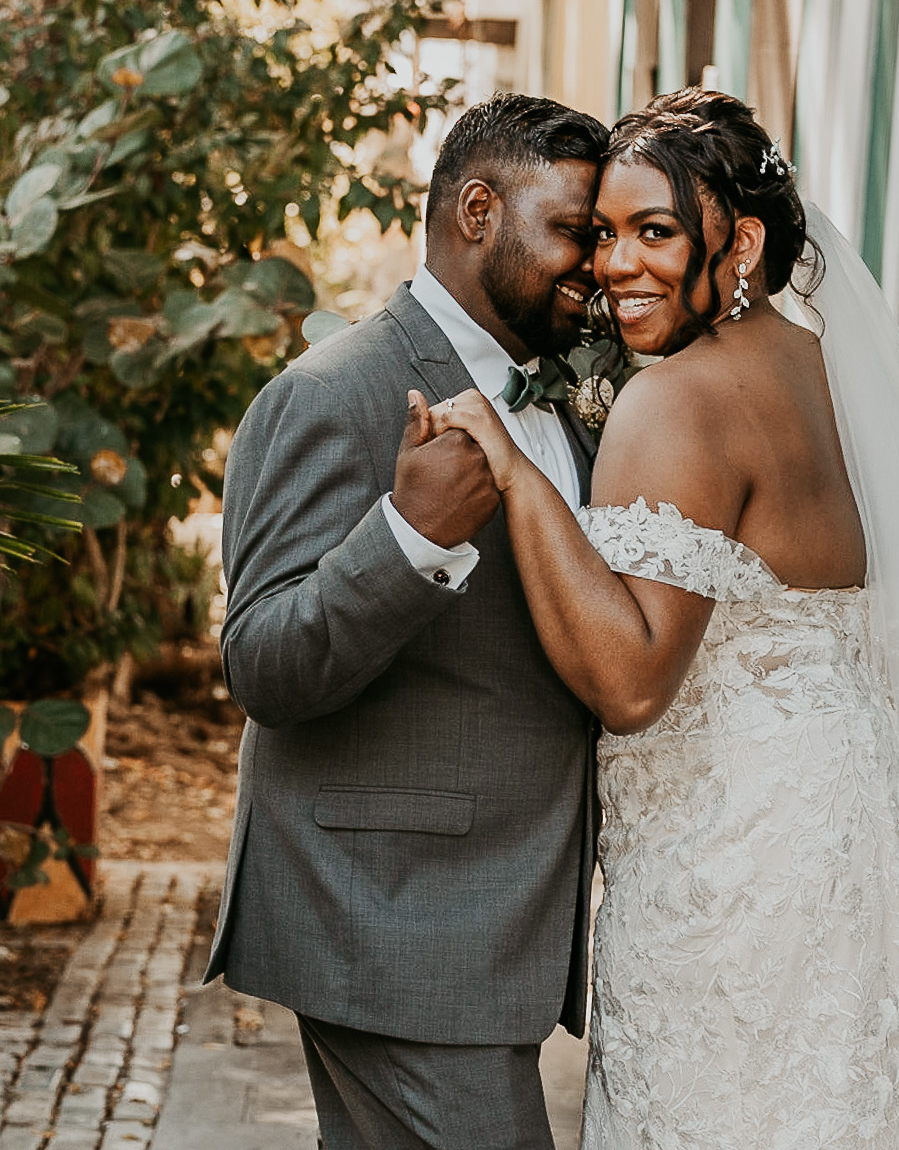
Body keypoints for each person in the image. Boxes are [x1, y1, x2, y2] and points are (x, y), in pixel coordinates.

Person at [427, 88, 899, 1150]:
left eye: (656, 232)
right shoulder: (821, 371)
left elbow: (632, 682)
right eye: (605, 235)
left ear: (740, 240)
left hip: (733, 865)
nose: (616, 267)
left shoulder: (680, 401)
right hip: (849, 827)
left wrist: (519, 482)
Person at [204, 92, 609, 1150]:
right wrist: (411, 534)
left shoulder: (565, 393)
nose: (597, 264)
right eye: (574, 230)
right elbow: (261, 665)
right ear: (478, 210)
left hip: (489, 910)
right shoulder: (332, 394)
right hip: (391, 911)